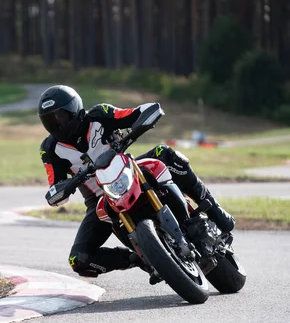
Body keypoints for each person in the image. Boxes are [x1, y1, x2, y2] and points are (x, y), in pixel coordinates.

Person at [38, 85, 235, 280]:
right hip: (100, 200)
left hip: (129, 171)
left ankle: (215, 210)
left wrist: (146, 117)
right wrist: (61, 191)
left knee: (164, 153)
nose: (58, 125)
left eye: (61, 117)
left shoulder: (100, 114)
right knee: (77, 259)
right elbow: (54, 188)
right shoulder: (49, 149)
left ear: (76, 110)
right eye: (50, 121)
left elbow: (136, 113)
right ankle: (140, 259)